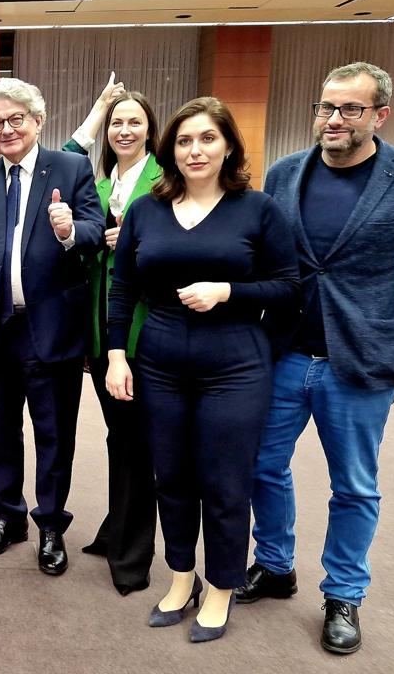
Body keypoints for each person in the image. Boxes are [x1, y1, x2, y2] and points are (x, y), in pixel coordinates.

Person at [238, 62, 394, 655]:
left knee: (354, 485)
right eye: (325, 107)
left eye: (349, 110)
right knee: (261, 465)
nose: (333, 119)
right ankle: (276, 565)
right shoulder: (285, 174)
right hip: (284, 351)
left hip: (361, 359)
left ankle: (344, 595)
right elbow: (260, 258)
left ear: (379, 115)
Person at [105, 97, 299, 643]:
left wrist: (228, 291)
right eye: (185, 141)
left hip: (236, 364)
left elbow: (290, 288)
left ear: (229, 146)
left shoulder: (258, 209)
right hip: (160, 360)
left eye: (208, 139)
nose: (195, 150)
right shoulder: (147, 209)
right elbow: (122, 290)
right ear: (170, 150)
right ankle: (181, 575)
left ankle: (220, 586)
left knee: (224, 481)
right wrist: (118, 355)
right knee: (171, 477)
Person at [0, 78, 105, 576]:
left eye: (17, 119)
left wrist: (69, 231)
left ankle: (51, 524)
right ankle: (9, 517)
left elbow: (96, 231)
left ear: (38, 121)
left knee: (53, 434)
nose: (7, 128)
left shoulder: (72, 167)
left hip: (49, 326)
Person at [62, 73, 161, 595]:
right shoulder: (98, 185)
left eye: (134, 122)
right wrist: (98, 107)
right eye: (116, 123)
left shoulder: (166, 182)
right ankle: (116, 526)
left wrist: (140, 242)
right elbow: (62, 155)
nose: (124, 130)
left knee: (138, 441)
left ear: (151, 130)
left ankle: (133, 555)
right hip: (101, 338)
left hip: (148, 336)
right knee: (119, 436)